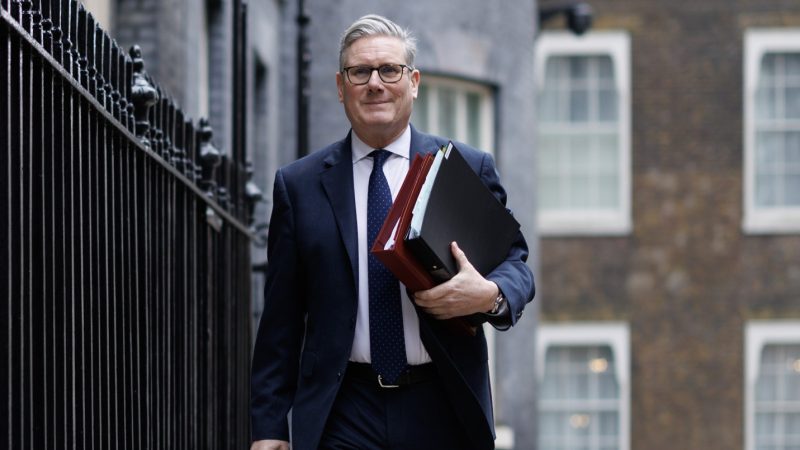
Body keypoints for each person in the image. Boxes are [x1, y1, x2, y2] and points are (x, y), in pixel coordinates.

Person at [250, 14, 535, 450]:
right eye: (360, 72)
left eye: (390, 70)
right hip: (343, 408)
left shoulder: (464, 168)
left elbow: (514, 262)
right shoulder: (300, 185)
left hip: (444, 403)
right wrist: (269, 429)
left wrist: (490, 295)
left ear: (414, 81)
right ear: (340, 86)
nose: (375, 83)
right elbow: (280, 322)